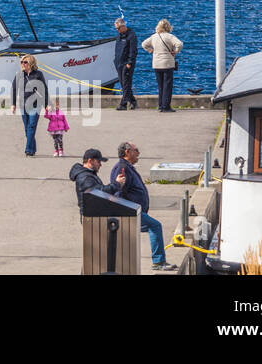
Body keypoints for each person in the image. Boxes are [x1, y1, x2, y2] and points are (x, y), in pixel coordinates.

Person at [109, 141, 175, 271]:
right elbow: (119, 191)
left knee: (144, 231)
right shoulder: (122, 168)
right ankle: (158, 261)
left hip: (134, 210)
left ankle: (126, 264)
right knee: (155, 226)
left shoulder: (127, 166)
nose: (138, 153)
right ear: (127, 152)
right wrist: (128, 210)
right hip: (130, 211)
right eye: (136, 150)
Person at [9, 54, 49, 157]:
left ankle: (27, 149)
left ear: (31, 63)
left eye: (25, 62)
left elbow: (44, 90)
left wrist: (46, 105)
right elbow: (13, 89)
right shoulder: (19, 75)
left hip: (35, 105)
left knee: (31, 126)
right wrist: (13, 104)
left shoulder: (38, 74)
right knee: (27, 128)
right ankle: (33, 148)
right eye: (22, 62)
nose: (23, 64)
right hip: (23, 105)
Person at [68, 148, 127, 215]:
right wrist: (116, 184)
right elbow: (99, 193)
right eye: (98, 162)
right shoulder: (85, 178)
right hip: (91, 216)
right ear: (90, 161)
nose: (100, 165)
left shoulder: (88, 173)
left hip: (94, 213)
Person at [141, 19, 183, 112]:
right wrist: (175, 51)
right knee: (167, 86)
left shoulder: (154, 37)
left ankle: (160, 105)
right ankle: (166, 106)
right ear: (168, 27)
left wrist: (151, 51)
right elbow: (179, 44)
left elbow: (144, 44)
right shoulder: (170, 36)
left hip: (156, 64)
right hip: (167, 64)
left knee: (160, 86)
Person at [113, 17, 138, 110]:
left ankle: (123, 104)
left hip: (127, 63)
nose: (117, 30)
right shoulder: (119, 36)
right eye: (116, 28)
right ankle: (132, 101)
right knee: (123, 84)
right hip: (119, 62)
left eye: (118, 28)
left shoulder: (131, 36)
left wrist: (130, 62)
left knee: (127, 83)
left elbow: (133, 51)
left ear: (123, 26)